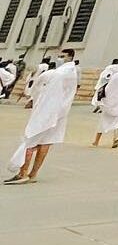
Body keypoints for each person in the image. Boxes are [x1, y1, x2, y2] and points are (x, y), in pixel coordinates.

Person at [6, 49, 80, 184]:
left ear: (70, 57)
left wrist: (33, 97)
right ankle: (33, 174)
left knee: (30, 140)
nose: (59, 58)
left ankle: (23, 173)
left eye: (62, 56)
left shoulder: (56, 74)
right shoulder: (72, 73)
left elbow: (38, 88)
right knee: (45, 142)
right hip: (59, 114)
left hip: (46, 113)